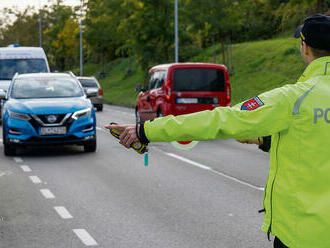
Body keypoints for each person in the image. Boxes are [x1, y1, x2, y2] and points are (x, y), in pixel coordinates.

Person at [106, 14, 330, 248]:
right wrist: (265, 140)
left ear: (304, 47)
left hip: (302, 236)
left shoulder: (293, 98)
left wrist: (145, 131)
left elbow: (219, 119)